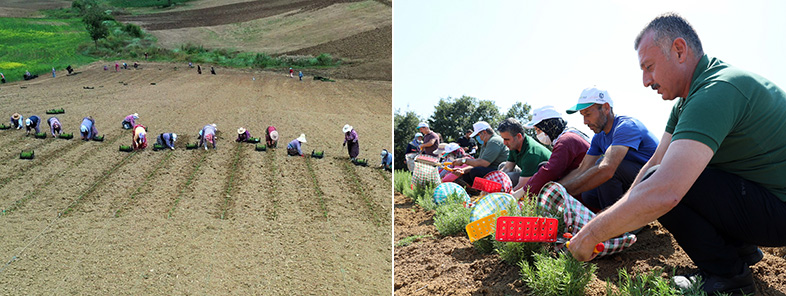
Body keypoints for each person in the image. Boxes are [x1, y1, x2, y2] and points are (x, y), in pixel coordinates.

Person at [568, 13, 786, 296]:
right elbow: (653, 164)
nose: (646, 81)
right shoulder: (687, 101)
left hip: (779, 211)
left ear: (679, 51)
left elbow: (664, 190)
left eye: (649, 67)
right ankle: (740, 253)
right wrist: (616, 214)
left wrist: (592, 235)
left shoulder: (715, 91)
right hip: (764, 202)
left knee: (666, 186)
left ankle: (729, 277)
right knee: (658, 178)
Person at [559, 87, 658, 212]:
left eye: (588, 114)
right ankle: (625, 214)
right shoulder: (598, 137)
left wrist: (569, 190)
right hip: (633, 181)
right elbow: (583, 169)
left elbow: (608, 169)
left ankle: (623, 222)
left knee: (605, 168)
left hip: (655, 179)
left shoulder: (626, 126)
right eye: (582, 116)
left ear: (606, 108)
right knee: (589, 194)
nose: (585, 122)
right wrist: (559, 189)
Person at [513, 106, 590, 199]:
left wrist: (524, 191)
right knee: (542, 166)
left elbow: (550, 171)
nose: (537, 134)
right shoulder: (569, 136)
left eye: (538, 130)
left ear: (549, 126)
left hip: (586, 190)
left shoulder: (566, 141)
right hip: (582, 182)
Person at [496, 118, 552, 193]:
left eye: (507, 139)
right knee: (502, 167)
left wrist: (504, 197)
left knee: (509, 178)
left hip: (546, 183)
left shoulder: (531, 153)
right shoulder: (514, 145)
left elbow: (522, 186)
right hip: (528, 174)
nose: (504, 143)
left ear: (519, 136)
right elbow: (507, 168)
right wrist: (494, 181)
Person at [452, 121, 509, 187]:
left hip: (501, 172)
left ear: (484, 133)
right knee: (466, 174)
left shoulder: (494, 141)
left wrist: (463, 161)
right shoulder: (485, 143)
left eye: (478, 135)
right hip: (491, 170)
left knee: (476, 171)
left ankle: (484, 190)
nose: (477, 138)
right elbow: (478, 163)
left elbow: (483, 163)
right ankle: (475, 192)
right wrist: (463, 170)